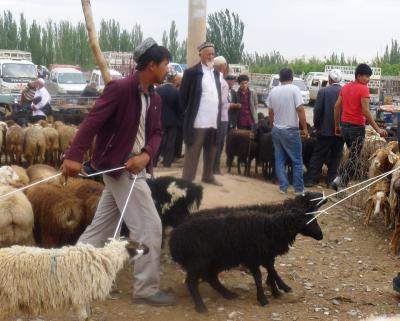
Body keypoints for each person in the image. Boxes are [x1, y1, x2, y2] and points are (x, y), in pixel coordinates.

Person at [61, 38, 176, 306]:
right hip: (120, 168)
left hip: (133, 168)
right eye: (165, 65)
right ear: (151, 65)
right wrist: (73, 156)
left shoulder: (155, 97)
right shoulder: (120, 88)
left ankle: (68, 273)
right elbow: (92, 121)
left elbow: (157, 133)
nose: (167, 70)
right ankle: (146, 290)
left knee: (100, 229)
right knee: (149, 226)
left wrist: (146, 154)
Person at [332, 63, 387, 191]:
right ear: (358, 76)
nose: (367, 79)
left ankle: (338, 179)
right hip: (356, 128)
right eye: (365, 76)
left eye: (369, 77)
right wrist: (378, 129)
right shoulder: (363, 89)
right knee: (354, 158)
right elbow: (366, 111)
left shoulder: (345, 87)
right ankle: (341, 185)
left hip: (345, 127)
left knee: (351, 156)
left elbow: (336, 107)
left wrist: (337, 125)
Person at [180, 42, 222, 186]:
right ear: (201, 55)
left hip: (213, 120)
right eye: (208, 53)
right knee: (193, 152)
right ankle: (187, 181)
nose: (211, 56)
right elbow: (183, 98)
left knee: (211, 150)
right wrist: (186, 116)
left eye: (213, 54)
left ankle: (208, 176)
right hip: (198, 121)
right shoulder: (191, 73)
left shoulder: (216, 73)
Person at [267, 68, 308, 195]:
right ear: (292, 78)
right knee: (296, 160)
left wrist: (272, 125)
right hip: (290, 130)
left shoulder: (273, 91)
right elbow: (300, 109)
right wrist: (305, 128)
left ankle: (283, 187)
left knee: (279, 159)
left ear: (280, 79)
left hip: (277, 130)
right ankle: (299, 189)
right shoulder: (294, 89)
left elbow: (270, 112)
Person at [304, 69, 345, 188]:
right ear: (340, 80)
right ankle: (331, 181)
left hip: (324, 131)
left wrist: (317, 126)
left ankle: (312, 179)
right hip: (341, 132)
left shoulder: (323, 91)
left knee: (318, 155)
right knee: (336, 156)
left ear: (329, 79)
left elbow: (317, 111)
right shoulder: (345, 91)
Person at [154, 70, 183, 167]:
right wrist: (179, 117)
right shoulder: (176, 91)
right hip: (173, 121)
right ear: (174, 80)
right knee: (171, 142)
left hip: (160, 120)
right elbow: (179, 107)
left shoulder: (158, 90)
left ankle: (153, 162)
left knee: (158, 141)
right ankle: (167, 163)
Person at [213, 56, 229, 175]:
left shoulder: (209, 79)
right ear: (223, 67)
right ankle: (215, 168)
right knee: (218, 143)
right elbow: (222, 101)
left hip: (210, 116)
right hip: (221, 117)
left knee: (211, 143)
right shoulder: (222, 82)